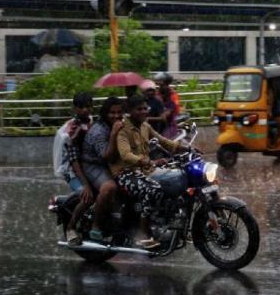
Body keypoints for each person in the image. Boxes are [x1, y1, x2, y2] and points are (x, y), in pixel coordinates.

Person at [111, 94, 191, 249]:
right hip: (125, 173)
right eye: (139, 109)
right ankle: (144, 234)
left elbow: (163, 141)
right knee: (153, 189)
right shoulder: (123, 129)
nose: (143, 112)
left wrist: (186, 148)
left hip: (145, 170)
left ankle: (164, 222)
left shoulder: (145, 126)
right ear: (130, 111)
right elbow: (125, 155)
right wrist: (144, 160)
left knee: (175, 183)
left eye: (145, 108)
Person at [52, 92, 94, 245]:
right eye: (82, 107)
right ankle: (71, 228)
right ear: (75, 108)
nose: (86, 110)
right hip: (72, 171)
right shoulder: (72, 130)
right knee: (87, 196)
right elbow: (73, 160)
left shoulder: (91, 122)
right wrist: (86, 185)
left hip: (88, 167)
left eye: (89, 106)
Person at [80, 97, 124, 242]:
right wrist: (113, 134)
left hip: (113, 162)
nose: (116, 115)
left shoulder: (120, 124)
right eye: (112, 112)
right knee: (109, 187)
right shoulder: (99, 131)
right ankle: (96, 225)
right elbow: (107, 156)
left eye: (119, 112)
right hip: (94, 164)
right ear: (105, 113)